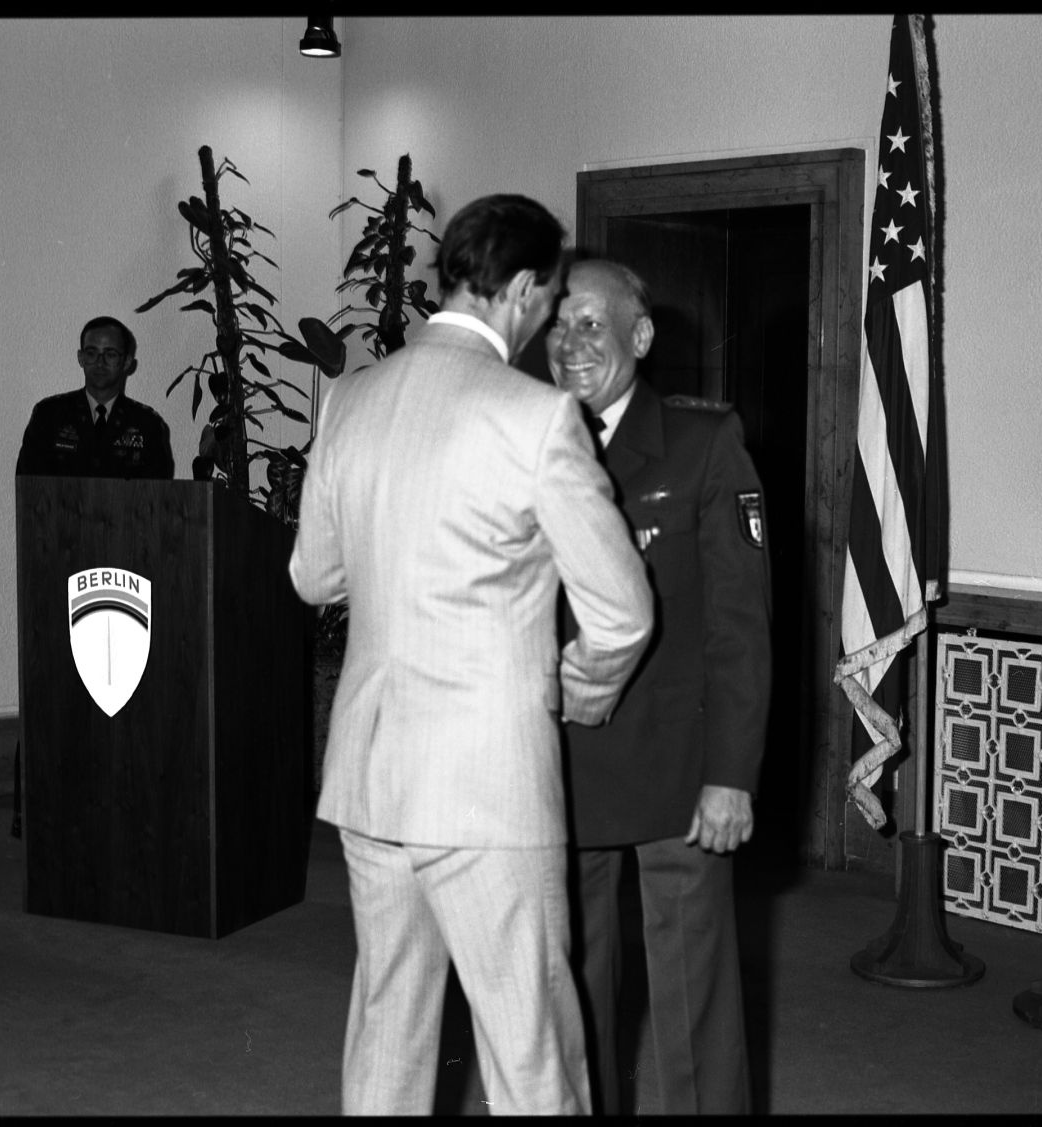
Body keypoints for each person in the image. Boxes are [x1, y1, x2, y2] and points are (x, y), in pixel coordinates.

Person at [289, 196, 654, 1116]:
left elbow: (312, 576)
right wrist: (575, 694)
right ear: (525, 287)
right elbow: (620, 612)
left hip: (373, 776)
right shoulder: (535, 418)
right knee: (531, 1049)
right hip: (487, 783)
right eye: (550, 296)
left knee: (388, 1024)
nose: (547, 318)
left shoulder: (355, 398)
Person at [547, 258, 772, 1115]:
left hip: (679, 771)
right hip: (563, 764)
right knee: (572, 992)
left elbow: (739, 632)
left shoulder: (702, 442)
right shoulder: (527, 438)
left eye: (593, 326)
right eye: (560, 326)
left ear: (640, 338)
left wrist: (732, 775)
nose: (572, 345)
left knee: (691, 1005)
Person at [15, 316, 174, 479]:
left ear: (126, 362)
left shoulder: (147, 424)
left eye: (110, 354)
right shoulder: (49, 416)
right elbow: (29, 487)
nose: (100, 362)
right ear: (81, 358)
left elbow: (159, 497)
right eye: (91, 353)